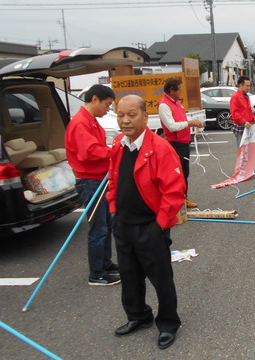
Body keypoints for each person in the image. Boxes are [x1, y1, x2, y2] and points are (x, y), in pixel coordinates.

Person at [107, 95, 185, 350]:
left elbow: (174, 192)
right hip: (124, 224)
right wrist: (113, 207)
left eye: (131, 115)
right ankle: (138, 316)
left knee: (161, 279)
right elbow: (113, 180)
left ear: (145, 116)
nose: (125, 120)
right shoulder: (119, 144)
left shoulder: (160, 148)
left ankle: (168, 323)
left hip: (150, 226)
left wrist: (159, 225)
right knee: (129, 277)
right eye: (120, 115)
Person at [65, 84, 120, 286]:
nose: (108, 110)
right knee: (98, 228)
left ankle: (105, 263)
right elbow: (88, 152)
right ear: (95, 99)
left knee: (106, 225)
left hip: (100, 178)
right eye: (106, 105)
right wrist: (114, 152)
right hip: (90, 180)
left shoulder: (92, 121)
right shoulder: (81, 123)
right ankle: (96, 273)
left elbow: (96, 147)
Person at [158, 77, 204, 208]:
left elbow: (182, 119)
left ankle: (183, 198)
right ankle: (178, 200)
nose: (181, 92)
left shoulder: (177, 103)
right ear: (172, 91)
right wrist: (189, 123)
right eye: (179, 89)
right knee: (177, 173)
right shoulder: (164, 105)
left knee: (184, 172)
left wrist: (193, 122)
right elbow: (171, 126)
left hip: (183, 142)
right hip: (175, 143)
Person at [230, 76, 255, 147]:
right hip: (241, 125)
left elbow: (249, 110)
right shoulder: (235, 97)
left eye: (249, 86)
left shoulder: (246, 96)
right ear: (241, 85)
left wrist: (254, 118)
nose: (248, 88)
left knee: (248, 148)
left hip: (248, 125)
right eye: (247, 86)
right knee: (242, 149)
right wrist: (244, 122)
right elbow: (234, 113)